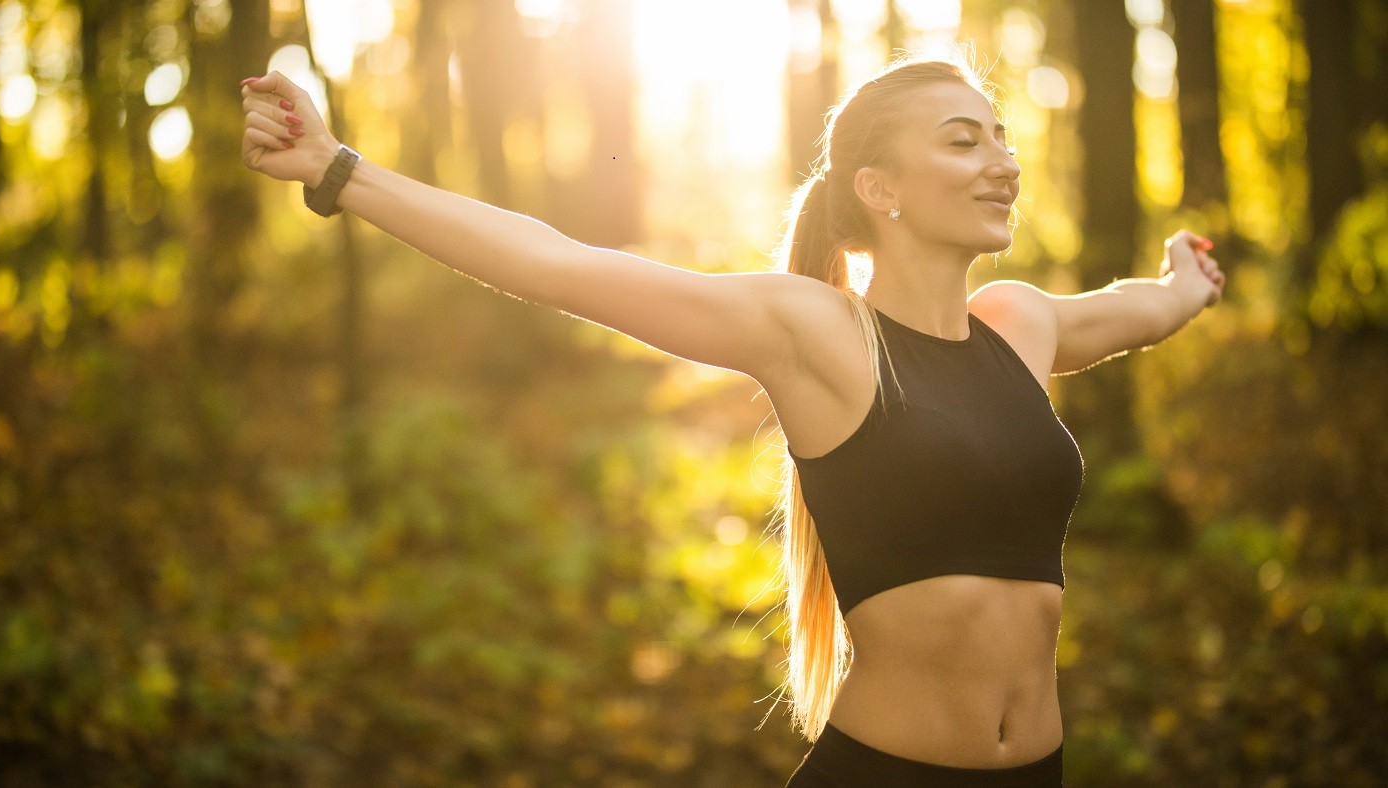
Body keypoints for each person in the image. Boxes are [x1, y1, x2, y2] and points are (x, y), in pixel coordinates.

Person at [240, 51, 1223, 786]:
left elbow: (1136, 309)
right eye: (961, 140)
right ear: (876, 189)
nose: (998, 160)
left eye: (999, 137)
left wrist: (1185, 282)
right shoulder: (817, 332)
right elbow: (556, 262)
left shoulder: (1018, 326)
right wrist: (336, 170)